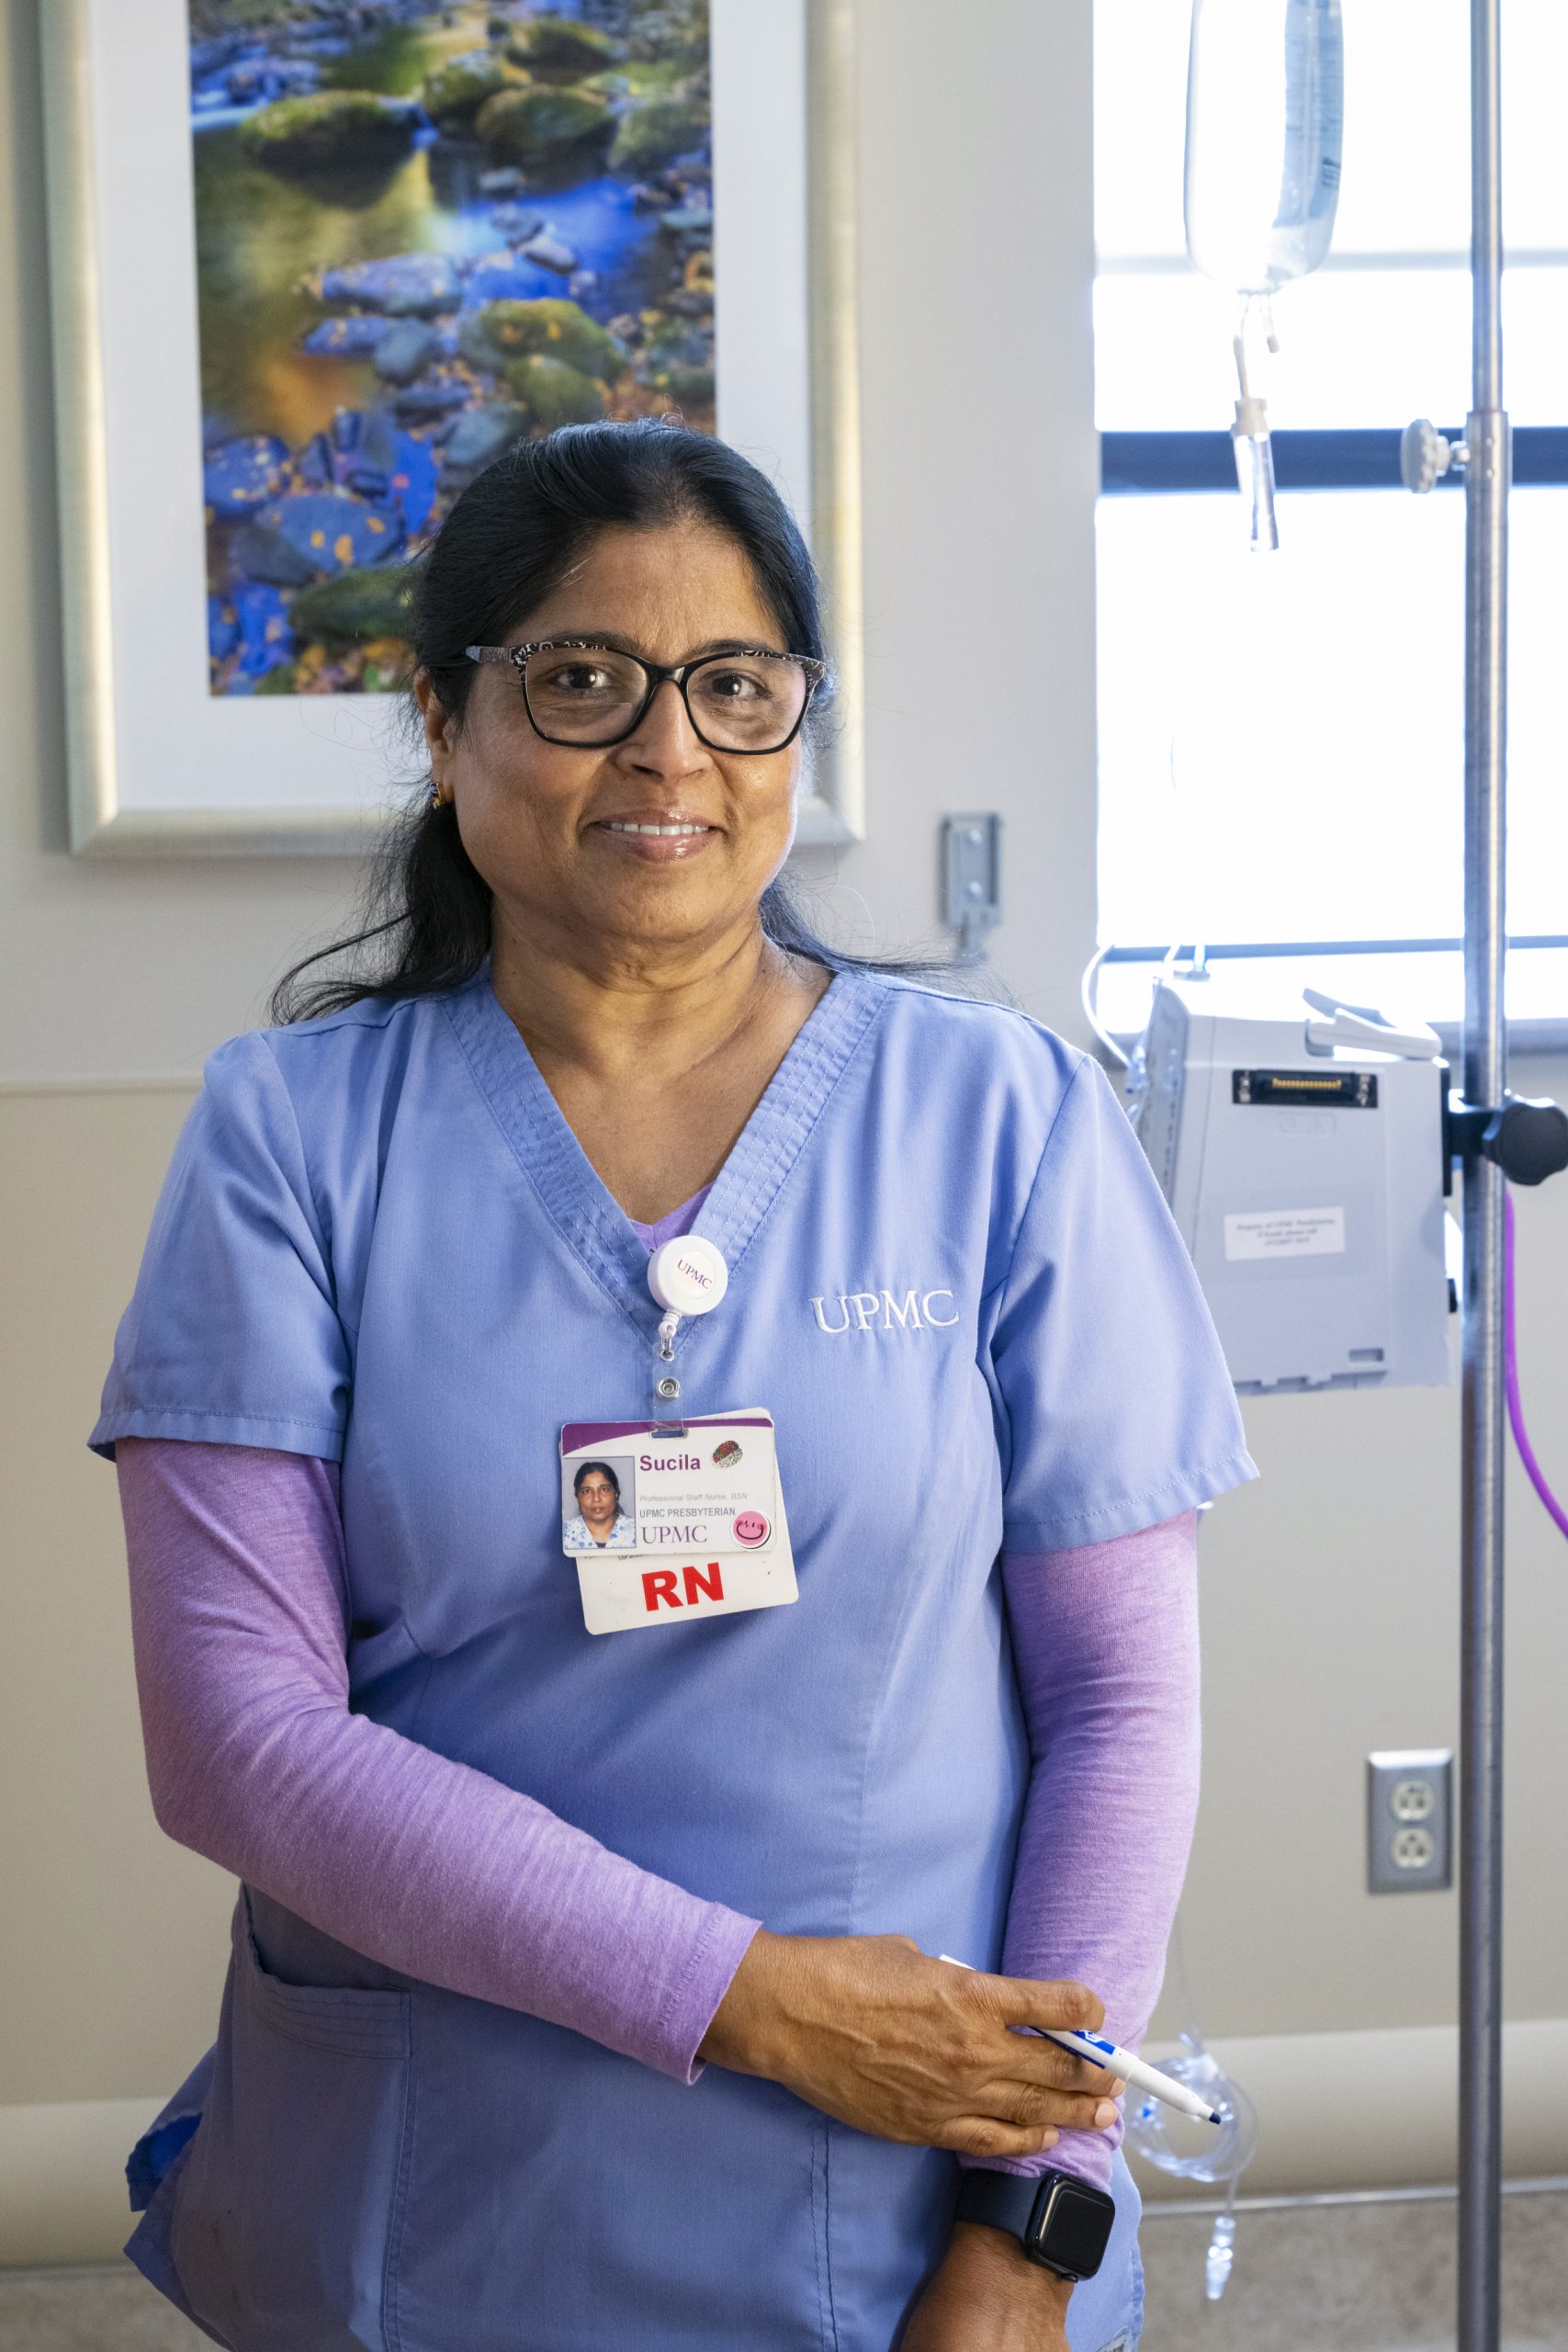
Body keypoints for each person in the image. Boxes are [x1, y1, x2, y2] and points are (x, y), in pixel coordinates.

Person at [94, 420, 1256, 2352]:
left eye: (736, 685)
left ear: (795, 724)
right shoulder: (290, 1137)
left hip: (900, 2200)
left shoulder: (998, 1114)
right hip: (438, 2193)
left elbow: (1120, 1703)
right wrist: (762, 1998)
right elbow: (235, 1732)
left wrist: (1030, 2214)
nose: (667, 750)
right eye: (580, 680)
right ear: (442, 716)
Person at [563, 1459, 637, 1549]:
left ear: (616, 1493)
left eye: (604, 1489)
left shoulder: (637, 1531)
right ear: (577, 1496)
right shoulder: (565, 1533)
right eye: (587, 1491)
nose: (596, 1499)